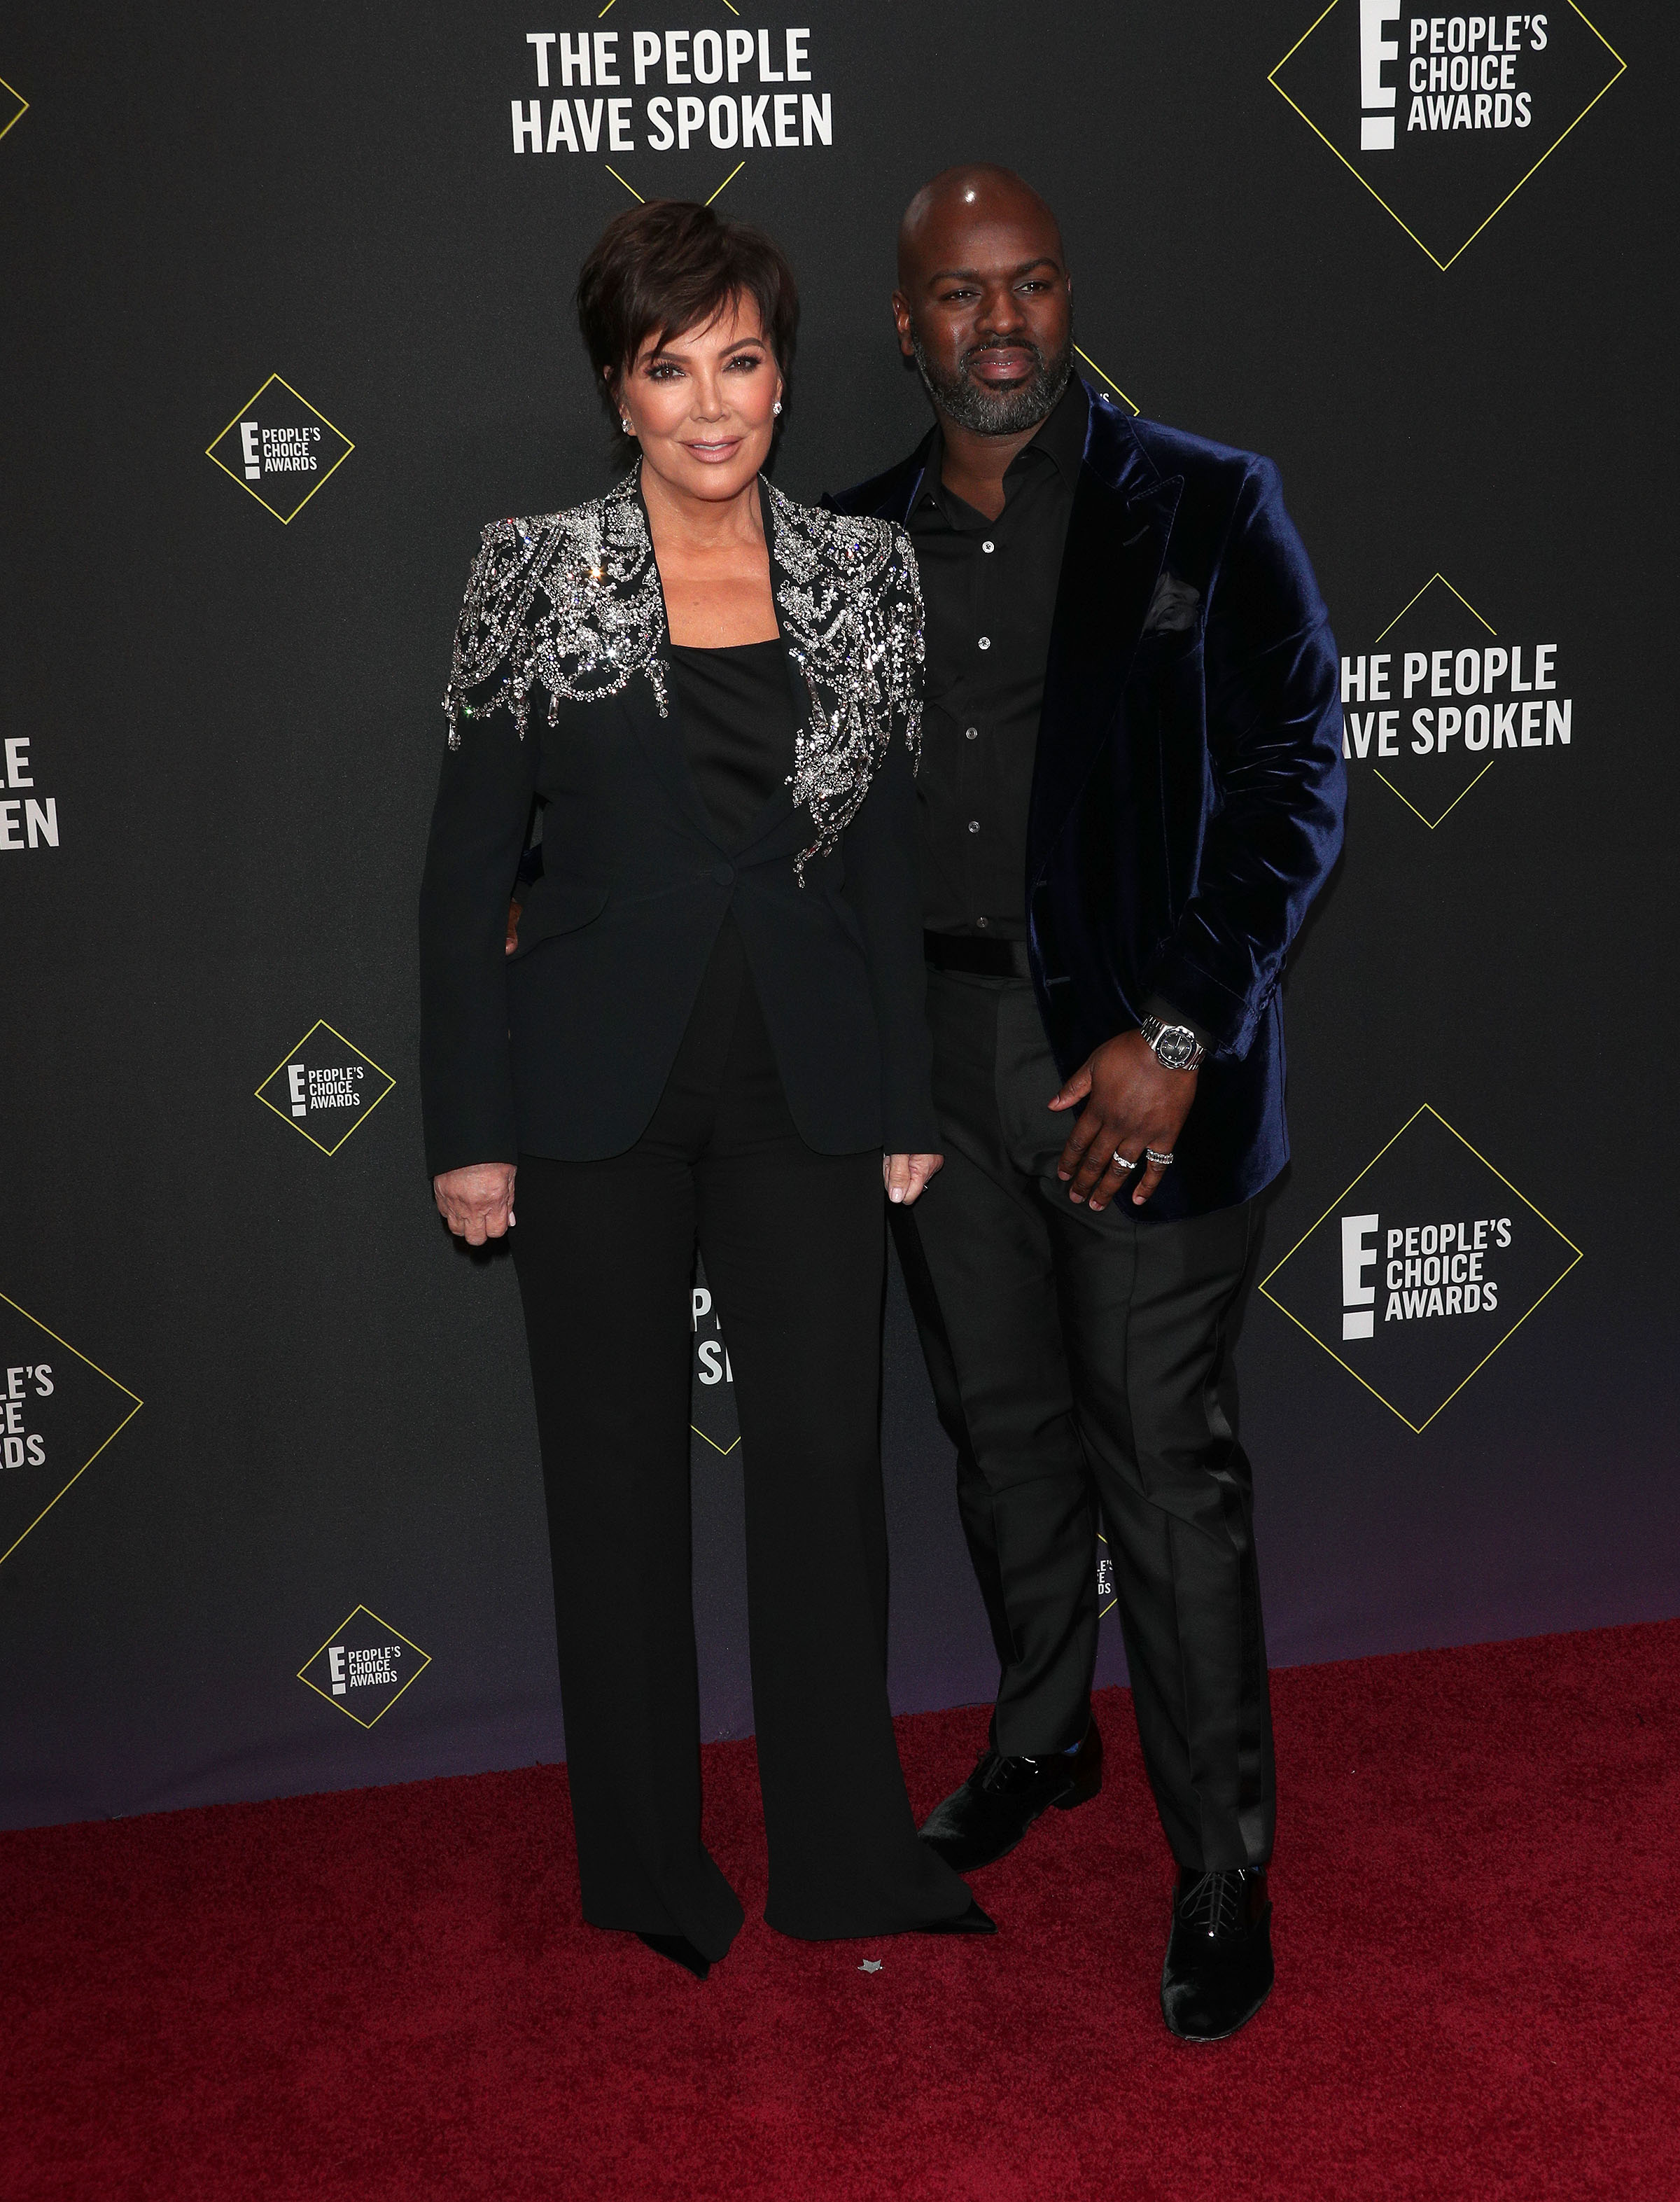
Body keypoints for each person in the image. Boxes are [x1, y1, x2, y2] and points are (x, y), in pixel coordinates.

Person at [419, 199, 990, 1980]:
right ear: (620, 387)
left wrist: (906, 1091)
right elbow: (459, 881)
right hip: (592, 1095)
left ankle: (843, 1855)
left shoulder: (867, 575)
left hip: (809, 1092)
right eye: (673, 367)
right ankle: (648, 1865)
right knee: (615, 1486)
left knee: (825, 1469)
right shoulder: (530, 570)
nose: (714, 401)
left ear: (785, 374)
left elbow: (889, 866)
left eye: (742, 359)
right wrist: (469, 1130)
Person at [827, 166, 1346, 2041]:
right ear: (906, 326)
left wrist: (1183, 1022)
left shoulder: (1206, 500)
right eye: (962, 294)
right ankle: (1048, 1734)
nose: (1001, 321)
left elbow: (1296, 774)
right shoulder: (852, 543)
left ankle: (1225, 1863)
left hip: (1141, 1065)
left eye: (1031, 284)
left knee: (1166, 1465)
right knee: (1003, 1431)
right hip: (939, 1065)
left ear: (1066, 300)